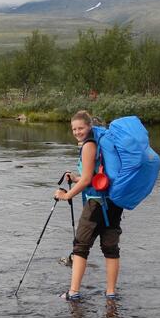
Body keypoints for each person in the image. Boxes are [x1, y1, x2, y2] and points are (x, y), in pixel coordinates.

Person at [53, 110, 123, 301]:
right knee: (110, 247)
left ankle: (73, 293)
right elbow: (91, 176)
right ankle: (111, 293)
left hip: (96, 204)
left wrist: (66, 194)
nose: (77, 132)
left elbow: (85, 181)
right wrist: (75, 177)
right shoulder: (99, 143)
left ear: (89, 126)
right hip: (113, 202)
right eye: (74, 129)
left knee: (80, 246)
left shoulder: (89, 145)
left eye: (80, 128)